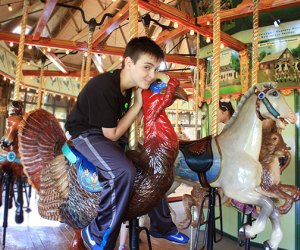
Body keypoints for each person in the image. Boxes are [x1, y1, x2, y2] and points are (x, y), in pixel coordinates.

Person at [65, 36, 188, 250]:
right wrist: (137, 105)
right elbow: (111, 134)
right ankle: (96, 232)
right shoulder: (104, 86)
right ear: (129, 63)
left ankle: (162, 226)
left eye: (155, 69)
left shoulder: (131, 90)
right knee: (123, 171)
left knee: (150, 169)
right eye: (147, 67)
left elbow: (132, 123)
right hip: (87, 135)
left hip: (109, 137)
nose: (151, 75)